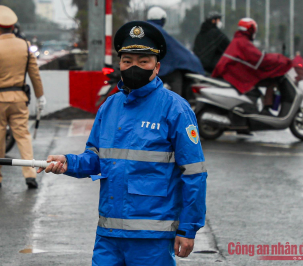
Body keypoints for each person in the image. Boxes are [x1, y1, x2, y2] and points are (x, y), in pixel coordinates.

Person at [39, 21, 207, 265]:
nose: (134, 67)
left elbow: (194, 173)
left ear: (157, 66)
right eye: (127, 61)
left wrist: (187, 229)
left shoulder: (175, 109)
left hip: (152, 237)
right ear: (119, 63)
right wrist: (68, 162)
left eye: (143, 61)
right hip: (109, 234)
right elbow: (96, 159)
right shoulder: (110, 106)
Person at [0, 5, 46, 189]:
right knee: (23, 136)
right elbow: (34, 74)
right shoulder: (24, 46)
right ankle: (30, 175)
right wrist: (40, 96)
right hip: (19, 99)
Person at [212, 18, 292, 108]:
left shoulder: (239, 39)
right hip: (235, 77)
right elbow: (260, 59)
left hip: (233, 74)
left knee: (271, 82)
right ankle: (262, 110)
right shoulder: (243, 42)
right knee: (256, 92)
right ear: (250, 29)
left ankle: (267, 107)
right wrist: (280, 59)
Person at [146, 7, 205, 96]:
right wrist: (192, 60)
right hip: (155, 69)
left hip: (144, 67)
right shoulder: (158, 31)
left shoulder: (144, 29)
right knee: (176, 76)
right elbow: (175, 50)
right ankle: (176, 102)